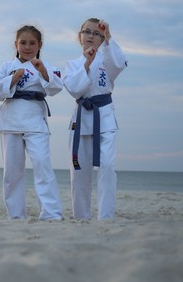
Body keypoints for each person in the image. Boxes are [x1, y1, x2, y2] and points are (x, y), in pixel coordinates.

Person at [0, 25, 63, 220]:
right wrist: (13, 79)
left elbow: (56, 88)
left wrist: (42, 71)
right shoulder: (7, 67)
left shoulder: (45, 66)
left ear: (40, 45)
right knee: (12, 171)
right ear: (16, 44)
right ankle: (15, 215)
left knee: (42, 164)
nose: (27, 47)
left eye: (32, 43)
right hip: (10, 120)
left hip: (35, 120)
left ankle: (51, 213)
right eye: (23, 43)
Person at [63, 18, 127, 220]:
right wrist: (87, 63)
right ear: (80, 36)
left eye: (96, 33)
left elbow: (119, 64)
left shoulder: (107, 59)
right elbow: (74, 89)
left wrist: (109, 37)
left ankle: (106, 217)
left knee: (107, 166)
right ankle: (81, 218)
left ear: (101, 39)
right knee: (79, 173)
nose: (91, 36)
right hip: (81, 119)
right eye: (87, 32)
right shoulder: (72, 64)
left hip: (104, 117)